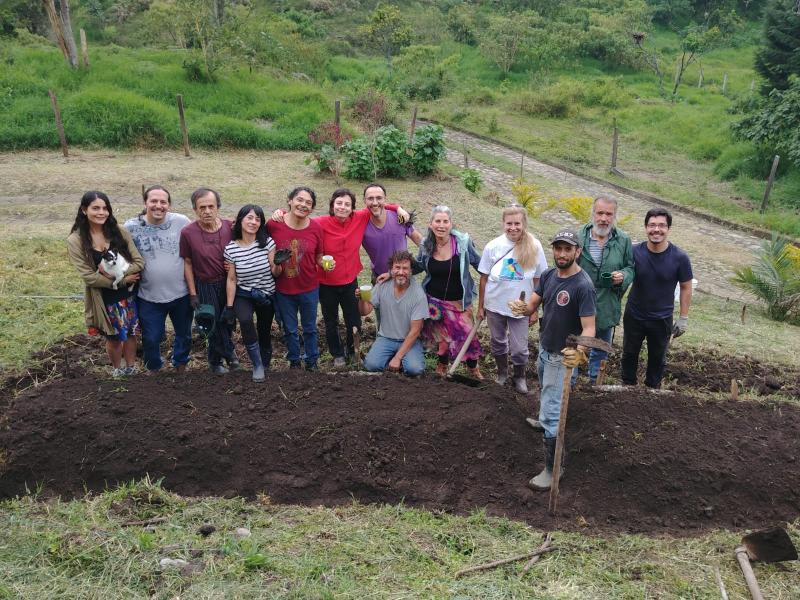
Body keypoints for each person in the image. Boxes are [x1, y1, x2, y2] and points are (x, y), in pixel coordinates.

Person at [271, 188, 406, 367]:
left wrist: (397, 208)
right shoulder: (319, 223)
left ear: (352, 208)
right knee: (330, 320)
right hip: (326, 282)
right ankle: (337, 354)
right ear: (332, 206)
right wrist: (280, 212)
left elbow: (376, 204)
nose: (343, 207)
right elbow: (299, 219)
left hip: (350, 280)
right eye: (339, 203)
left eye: (347, 204)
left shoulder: (359, 218)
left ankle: (352, 351)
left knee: (354, 318)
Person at [509, 229, 596, 491]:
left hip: (563, 358)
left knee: (554, 409)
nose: (561, 254)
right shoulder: (548, 275)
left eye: (567, 249)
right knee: (547, 392)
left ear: (577, 252)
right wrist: (523, 308)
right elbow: (534, 303)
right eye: (558, 248)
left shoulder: (583, 286)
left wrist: (580, 351)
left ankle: (553, 468)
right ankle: (545, 419)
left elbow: (590, 327)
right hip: (546, 349)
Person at [67, 191, 144, 377]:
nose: (101, 212)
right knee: (114, 336)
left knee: (132, 332)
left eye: (105, 208)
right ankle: (117, 369)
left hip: (129, 295)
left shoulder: (119, 231)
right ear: (84, 210)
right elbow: (89, 276)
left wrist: (123, 275)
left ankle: (131, 367)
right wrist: (121, 281)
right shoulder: (76, 240)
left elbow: (139, 262)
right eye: (95, 208)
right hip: (104, 298)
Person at [477, 204, 548, 393]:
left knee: (519, 348)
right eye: (509, 223)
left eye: (517, 223)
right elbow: (483, 278)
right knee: (498, 341)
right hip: (495, 304)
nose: (513, 227)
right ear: (503, 223)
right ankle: (502, 373)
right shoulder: (493, 246)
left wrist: (534, 309)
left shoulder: (534, 246)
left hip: (521, 308)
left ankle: (520, 377)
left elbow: (539, 279)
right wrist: (481, 306)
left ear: (524, 223)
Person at [621, 207, 693, 388]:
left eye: (662, 225)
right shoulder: (634, 252)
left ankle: (652, 393)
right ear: (646, 228)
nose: (656, 229)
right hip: (634, 315)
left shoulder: (680, 258)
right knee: (629, 354)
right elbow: (623, 277)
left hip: (661, 319)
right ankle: (626, 389)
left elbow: (686, 287)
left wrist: (683, 318)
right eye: (652, 225)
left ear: (668, 229)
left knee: (657, 359)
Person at [124, 185, 192, 374]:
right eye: (153, 201)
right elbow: (117, 252)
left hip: (181, 294)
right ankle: (154, 368)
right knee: (151, 337)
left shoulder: (181, 222)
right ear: (145, 203)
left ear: (169, 205)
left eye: (163, 202)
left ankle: (181, 365)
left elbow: (202, 231)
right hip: (148, 295)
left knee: (184, 334)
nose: (158, 205)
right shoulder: (131, 227)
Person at [572, 195, 634, 385]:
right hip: (579, 303)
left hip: (607, 302)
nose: (604, 218)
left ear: (614, 216)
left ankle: (595, 384)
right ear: (593, 213)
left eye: (609, 214)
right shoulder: (578, 237)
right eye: (600, 213)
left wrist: (623, 276)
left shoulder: (623, 240)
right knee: (574, 343)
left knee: (601, 347)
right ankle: (569, 383)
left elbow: (631, 267)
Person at [417, 206, 483, 379]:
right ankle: (442, 365)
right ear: (430, 224)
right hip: (434, 302)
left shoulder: (462, 242)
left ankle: (473, 369)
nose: (441, 225)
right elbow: (418, 265)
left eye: (445, 221)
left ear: (451, 224)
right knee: (442, 338)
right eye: (437, 221)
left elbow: (480, 264)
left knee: (468, 336)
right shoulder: (426, 244)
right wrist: (394, 271)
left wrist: (497, 277)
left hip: (459, 302)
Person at [267, 186, 329, 371]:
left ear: (312, 208)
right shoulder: (273, 224)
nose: (303, 205)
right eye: (299, 200)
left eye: (308, 203)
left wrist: (325, 264)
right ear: (290, 201)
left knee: (310, 328)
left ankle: (312, 361)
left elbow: (319, 255)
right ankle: (294, 361)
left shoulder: (316, 228)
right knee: (290, 329)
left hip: (309, 287)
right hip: (284, 289)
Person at [179, 188, 239, 374]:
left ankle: (225, 355)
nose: (207, 211)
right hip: (205, 284)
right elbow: (187, 263)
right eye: (201, 207)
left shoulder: (231, 227)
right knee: (213, 323)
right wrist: (193, 293)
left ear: (218, 207)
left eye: (211, 206)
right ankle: (220, 360)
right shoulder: (188, 233)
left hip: (229, 283)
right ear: (195, 210)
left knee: (228, 320)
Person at [223, 205, 284, 382]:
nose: (253, 222)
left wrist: (278, 264)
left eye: (258, 219)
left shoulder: (267, 243)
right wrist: (229, 306)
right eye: (249, 218)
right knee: (245, 320)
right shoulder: (231, 249)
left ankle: (265, 363)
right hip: (245, 293)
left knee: (264, 330)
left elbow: (275, 273)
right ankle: (256, 364)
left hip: (266, 294)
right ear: (241, 220)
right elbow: (232, 279)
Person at [359, 250, 429, 376]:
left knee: (415, 369)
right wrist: (362, 299)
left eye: (405, 268)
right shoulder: (382, 285)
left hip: (409, 340)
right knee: (370, 365)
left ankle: (398, 361)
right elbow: (365, 312)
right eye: (397, 267)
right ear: (391, 270)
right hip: (386, 338)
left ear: (411, 271)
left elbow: (415, 331)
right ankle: (394, 366)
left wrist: (397, 358)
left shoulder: (418, 295)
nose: (401, 272)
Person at [361, 183, 423, 282]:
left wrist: (437, 253)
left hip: (404, 276)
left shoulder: (399, 217)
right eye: (370, 198)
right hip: (380, 278)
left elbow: (418, 239)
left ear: (385, 199)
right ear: (364, 201)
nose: (375, 202)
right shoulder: (361, 224)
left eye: (379, 198)